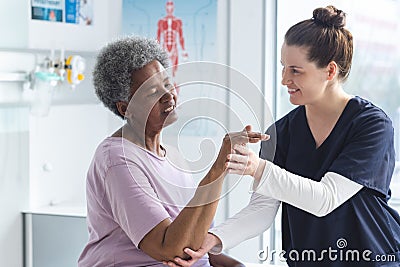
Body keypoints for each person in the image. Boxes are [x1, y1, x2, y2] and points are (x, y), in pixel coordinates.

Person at [165, 6, 400, 267]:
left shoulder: (371, 125)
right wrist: (212, 239)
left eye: (296, 71)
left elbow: (326, 199)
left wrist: (258, 168)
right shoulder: (281, 132)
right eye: (283, 68)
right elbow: (262, 210)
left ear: (330, 71)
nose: (284, 79)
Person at [77, 36, 267, 266]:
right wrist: (219, 166)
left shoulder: (172, 156)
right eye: (152, 92)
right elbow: (168, 248)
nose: (169, 96)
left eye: (167, 84)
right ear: (126, 108)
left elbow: (197, 244)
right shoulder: (118, 160)